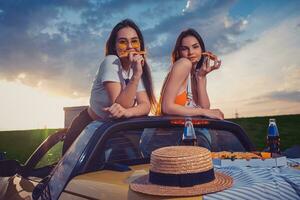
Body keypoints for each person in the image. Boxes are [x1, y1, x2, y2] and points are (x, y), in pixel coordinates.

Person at [62, 19, 156, 154]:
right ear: (114, 45)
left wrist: (128, 112)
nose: (130, 46)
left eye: (134, 41)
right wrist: (136, 76)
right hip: (88, 129)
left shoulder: (136, 68)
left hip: (113, 131)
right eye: (123, 42)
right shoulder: (111, 61)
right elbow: (118, 106)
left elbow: (145, 105)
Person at [157, 28, 224, 120]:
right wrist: (205, 112)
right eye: (185, 49)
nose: (191, 52)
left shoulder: (198, 73)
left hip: (189, 131)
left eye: (195, 47)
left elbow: (205, 109)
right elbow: (166, 107)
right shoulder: (183, 64)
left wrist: (201, 77)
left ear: (202, 49)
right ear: (179, 52)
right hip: (172, 132)